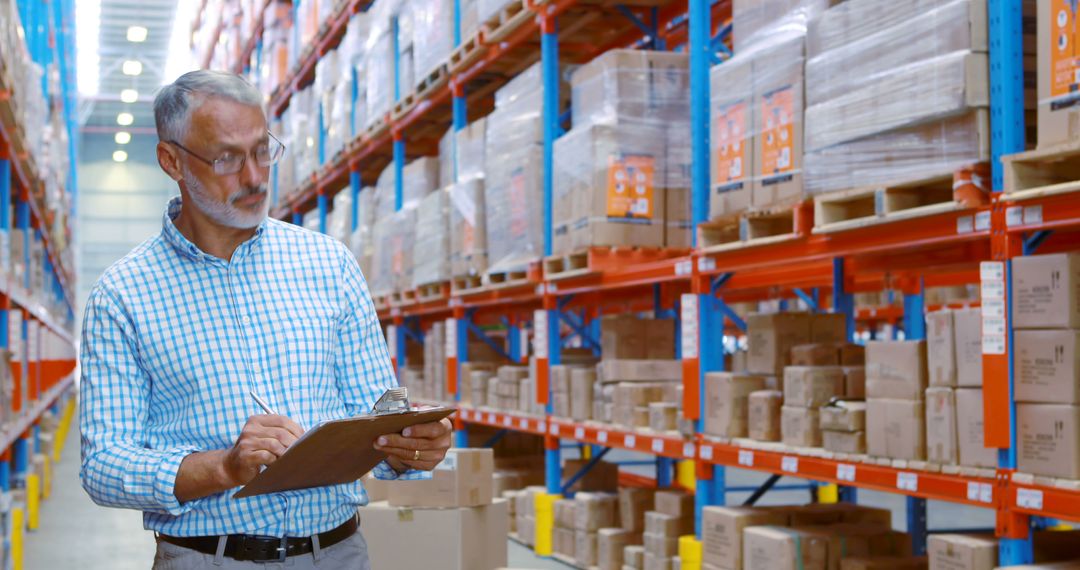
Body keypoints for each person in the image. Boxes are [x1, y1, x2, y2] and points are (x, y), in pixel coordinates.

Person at [79, 70, 452, 569]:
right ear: (172, 162)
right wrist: (224, 467)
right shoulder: (122, 296)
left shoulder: (329, 264)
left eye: (262, 150)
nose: (254, 177)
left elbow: (374, 411)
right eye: (227, 158)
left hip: (337, 554)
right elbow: (104, 465)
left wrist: (410, 445)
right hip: (209, 560)